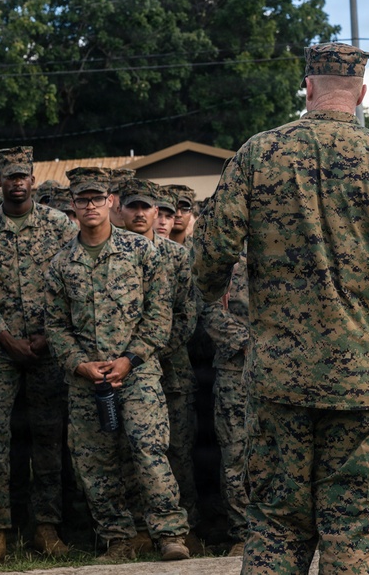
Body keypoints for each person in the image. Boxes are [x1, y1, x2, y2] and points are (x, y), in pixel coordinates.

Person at [193, 42, 369, 574]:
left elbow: (211, 252)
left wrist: (214, 286)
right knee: (354, 524)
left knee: (274, 522)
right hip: (362, 380)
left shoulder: (259, 154)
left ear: (308, 87)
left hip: (278, 378)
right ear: (360, 94)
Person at [44, 167, 190, 562]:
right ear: (72, 207)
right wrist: (80, 365)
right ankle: (118, 539)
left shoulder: (143, 252)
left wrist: (130, 359)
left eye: (97, 198)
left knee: (149, 450)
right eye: (82, 200)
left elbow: (159, 315)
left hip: (138, 373)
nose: (90, 205)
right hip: (86, 379)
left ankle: (169, 534)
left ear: (111, 201)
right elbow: (55, 326)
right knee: (94, 461)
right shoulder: (60, 264)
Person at [0, 147, 77, 564]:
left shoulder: (60, 226)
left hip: (49, 349)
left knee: (48, 438)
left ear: (33, 179)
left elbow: (70, 284)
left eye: (23, 176)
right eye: (9, 176)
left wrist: (47, 337)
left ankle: (45, 527)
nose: (16, 182)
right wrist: (3, 336)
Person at [119, 178, 200, 544]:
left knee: (177, 449)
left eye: (149, 209)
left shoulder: (177, 256)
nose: (142, 214)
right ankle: (138, 526)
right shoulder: (117, 250)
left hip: (171, 367)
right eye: (132, 207)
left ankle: (188, 526)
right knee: (132, 447)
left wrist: (153, 349)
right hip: (128, 369)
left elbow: (186, 313)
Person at [200, 250, 250, 556]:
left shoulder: (293, 256)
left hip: (287, 373)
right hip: (235, 371)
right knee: (235, 453)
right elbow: (208, 308)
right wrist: (251, 344)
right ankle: (243, 532)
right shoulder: (225, 264)